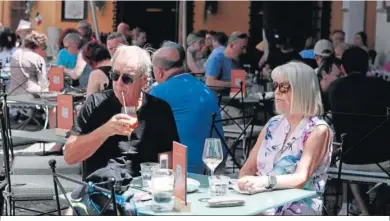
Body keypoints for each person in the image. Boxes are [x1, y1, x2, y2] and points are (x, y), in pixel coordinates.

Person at [64, 45, 180, 177]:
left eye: (127, 78)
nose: (118, 83)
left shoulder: (159, 109)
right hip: (103, 189)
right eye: (114, 75)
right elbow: (69, 156)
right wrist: (105, 130)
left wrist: (161, 181)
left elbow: (167, 157)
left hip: (143, 190)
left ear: (144, 80)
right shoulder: (95, 103)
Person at [238, 61, 333, 215]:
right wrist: (245, 184)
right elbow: (248, 168)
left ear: (302, 90)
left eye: (284, 87)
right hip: (260, 202)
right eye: (275, 86)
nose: (277, 92)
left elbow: (300, 178)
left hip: (296, 208)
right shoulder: (273, 124)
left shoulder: (318, 129)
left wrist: (264, 182)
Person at [328, 47, 390, 215]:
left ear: (343, 68)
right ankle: (376, 208)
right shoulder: (383, 86)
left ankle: (366, 212)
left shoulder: (334, 88)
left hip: (348, 160)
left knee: (353, 153)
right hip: (382, 161)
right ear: (368, 66)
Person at [150, 42, 225, 173]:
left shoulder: (158, 92)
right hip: (216, 162)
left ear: (160, 72)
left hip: (183, 168)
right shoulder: (204, 88)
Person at [7, 31, 49, 96]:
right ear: (39, 45)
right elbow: (43, 83)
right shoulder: (38, 58)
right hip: (31, 96)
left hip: (13, 94)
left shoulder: (14, 54)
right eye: (44, 47)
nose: (44, 51)